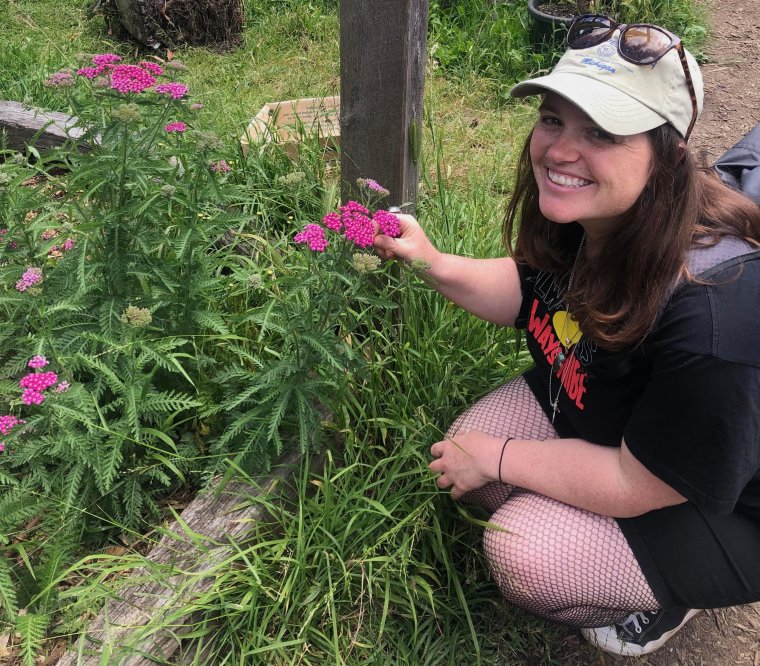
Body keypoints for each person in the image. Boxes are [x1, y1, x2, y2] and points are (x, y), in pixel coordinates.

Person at [373, 14, 760, 658]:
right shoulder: (595, 213)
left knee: (524, 550)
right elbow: (531, 290)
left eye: (602, 132)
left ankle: (665, 597)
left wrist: (497, 455)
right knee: (476, 471)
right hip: (623, 414)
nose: (559, 151)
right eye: (553, 118)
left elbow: (642, 483)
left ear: (667, 154)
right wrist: (433, 262)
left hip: (725, 501)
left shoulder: (716, 309)